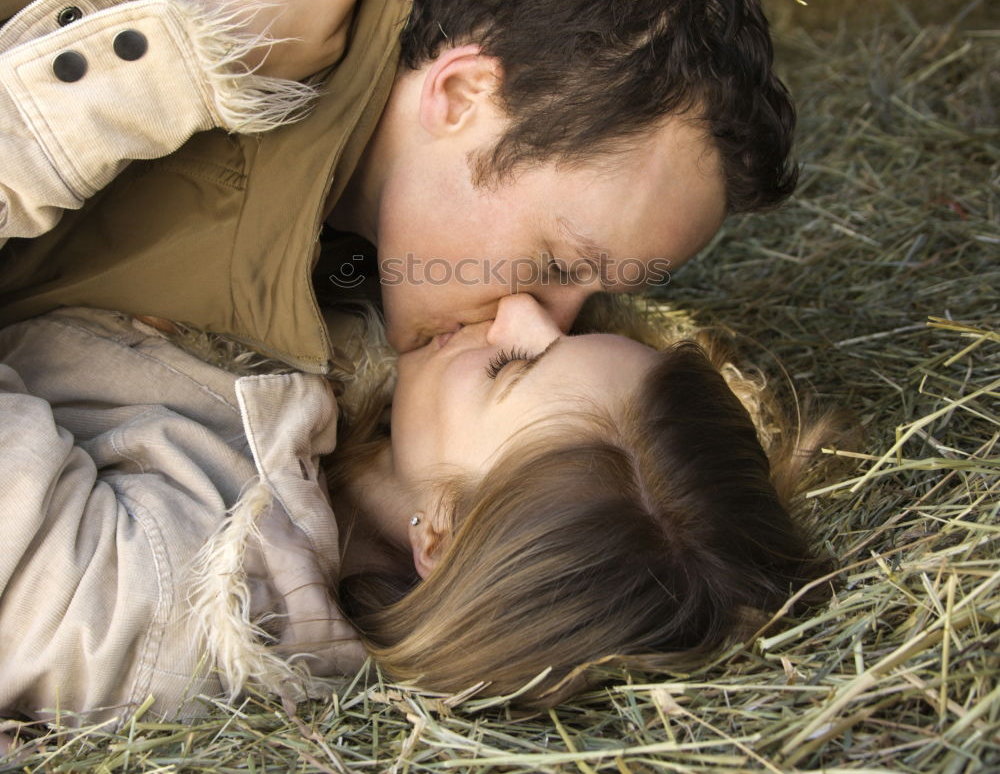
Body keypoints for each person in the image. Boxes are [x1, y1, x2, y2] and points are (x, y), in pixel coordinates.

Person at [0, 0, 795, 366]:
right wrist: (184, 55)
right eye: (555, 263)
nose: (542, 332)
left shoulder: (383, 250)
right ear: (456, 96)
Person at [0, 289, 834, 728]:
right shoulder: (337, 412)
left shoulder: (162, 606)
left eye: (507, 366)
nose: (522, 308)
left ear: (442, 537)